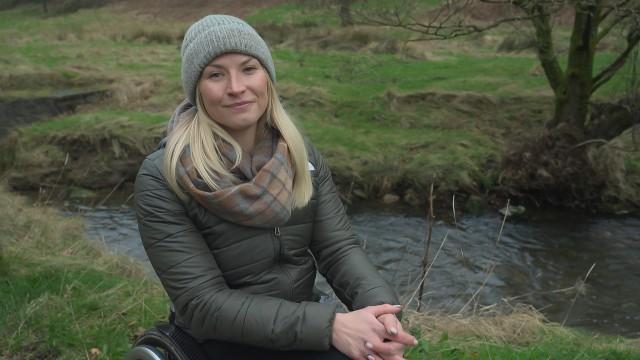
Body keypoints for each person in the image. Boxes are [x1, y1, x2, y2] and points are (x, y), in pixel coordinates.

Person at [134, 14, 417, 360]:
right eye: (216, 74)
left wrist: (381, 312)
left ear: (267, 77)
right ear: (197, 88)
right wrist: (331, 327)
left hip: (300, 323)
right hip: (222, 339)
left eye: (249, 69)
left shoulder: (301, 155)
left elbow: (338, 248)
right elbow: (201, 304)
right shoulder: (163, 177)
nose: (236, 87)